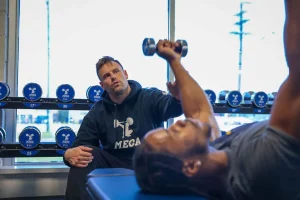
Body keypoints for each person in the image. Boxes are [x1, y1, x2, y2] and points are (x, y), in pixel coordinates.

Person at [133, 1, 300, 199]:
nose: (176, 125)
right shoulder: (260, 166)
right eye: (171, 134)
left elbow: (199, 112)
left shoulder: (214, 156)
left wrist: (174, 61)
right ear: (191, 166)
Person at [63, 56, 183, 200]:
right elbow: (80, 146)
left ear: (125, 74)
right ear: (102, 85)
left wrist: (177, 98)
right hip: (116, 163)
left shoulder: (149, 97)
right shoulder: (97, 111)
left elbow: (171, 107)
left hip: (149, 161)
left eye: (116, 71)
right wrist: (67, 155)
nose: (113, 77)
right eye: (107, 76)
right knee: (83, 156)